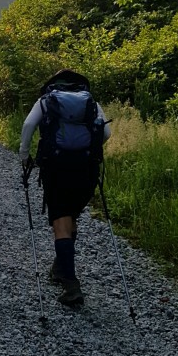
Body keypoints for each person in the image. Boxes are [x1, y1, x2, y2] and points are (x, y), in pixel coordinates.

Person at [19, 69, 111, 307]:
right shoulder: (91, 102)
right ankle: (60, 267)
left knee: (60, 220)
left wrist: (24, 155)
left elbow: (28, 125)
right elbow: (106, 133)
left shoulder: (46, 100)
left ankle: (71, 285)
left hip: (57, 168)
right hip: (86, 169)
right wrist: (86, 150)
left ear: (53, 84)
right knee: (70, 214)